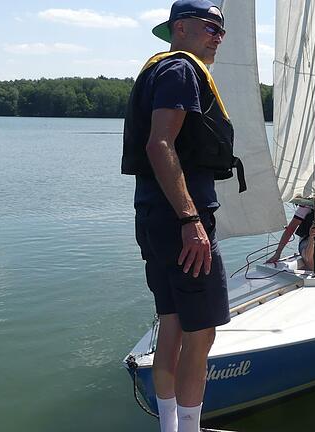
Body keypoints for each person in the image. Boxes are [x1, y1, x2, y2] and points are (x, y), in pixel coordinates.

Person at [121, 1, 237, 431]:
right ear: (180, 28)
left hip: (155, 216)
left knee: (172, 322)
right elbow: (159, 144)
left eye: (221, 30)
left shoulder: (160, 69)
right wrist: (191, 221)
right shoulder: (181, 71)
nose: (218, 36)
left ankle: (171, 427)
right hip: (180, 221)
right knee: (201, 332)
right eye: (211, 28)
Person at [265, 166, 315, 264]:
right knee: (312, 256)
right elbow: (291, 228)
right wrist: (278, 252)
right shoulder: (308, 204)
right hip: (308, 241)